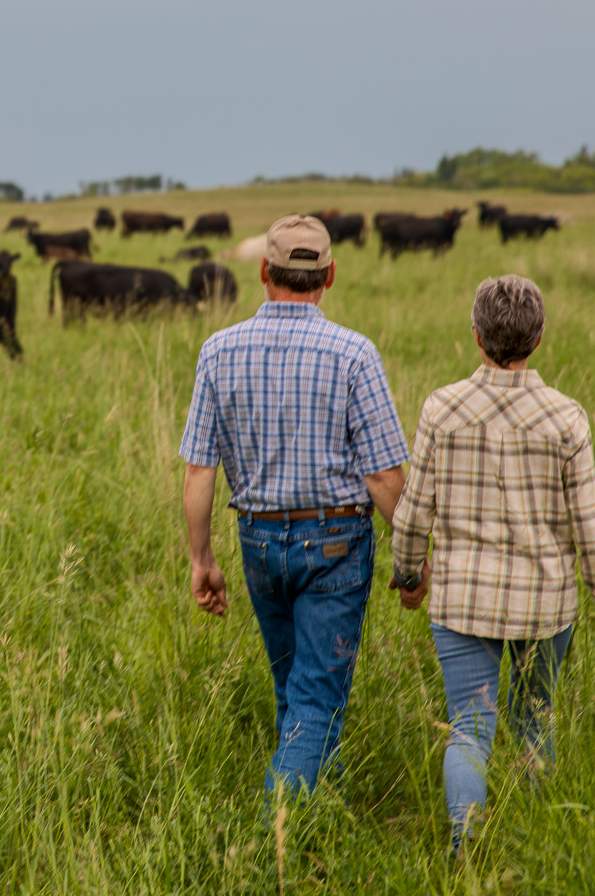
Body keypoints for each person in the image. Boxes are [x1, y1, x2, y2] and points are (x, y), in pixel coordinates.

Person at [390, 274, 595, 854]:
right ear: (539, 338)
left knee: (470, 728)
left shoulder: (440, 409)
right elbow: (591, 526)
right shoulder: (566, 418)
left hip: (461, 601)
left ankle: (465, 844)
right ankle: (531, 842)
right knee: (534, 722)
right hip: (546, 604)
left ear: (475, 336)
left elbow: (412, 511)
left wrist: (407, 573)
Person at [181, 214, 411, 792]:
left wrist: (201, 558)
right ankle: (278, 834)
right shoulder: (354, 353)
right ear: (330, 275)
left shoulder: (217, 350)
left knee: (294, 689)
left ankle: (311, 824)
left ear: (263, 270)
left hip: (258, 541)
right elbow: (384, 476)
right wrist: (413, 557)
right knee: (316, 697)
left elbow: (198, 469)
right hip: (334, 543)